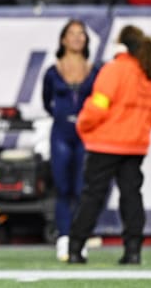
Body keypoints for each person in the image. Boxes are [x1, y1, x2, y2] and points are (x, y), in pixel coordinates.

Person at [68, 25, 151, 265]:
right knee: (131, 197)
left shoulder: (114, 70)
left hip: (105, 143)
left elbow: (98, 106)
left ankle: (76, 248)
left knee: (92, 196)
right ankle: (133, 250)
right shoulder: (148, 73)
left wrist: (83, 125)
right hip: (135, 146)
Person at [42, 19, 100, 262]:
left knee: (81, 188)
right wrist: (61, 116)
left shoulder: (94, 71)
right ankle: (64, 238)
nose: (77, 38)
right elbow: (47, 102)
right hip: (62, 132)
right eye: (72, 34)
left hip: (85, 134)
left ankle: (80, 238)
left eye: (81, 34)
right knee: (63, 188)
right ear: (63, 39)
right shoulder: (53, 71)